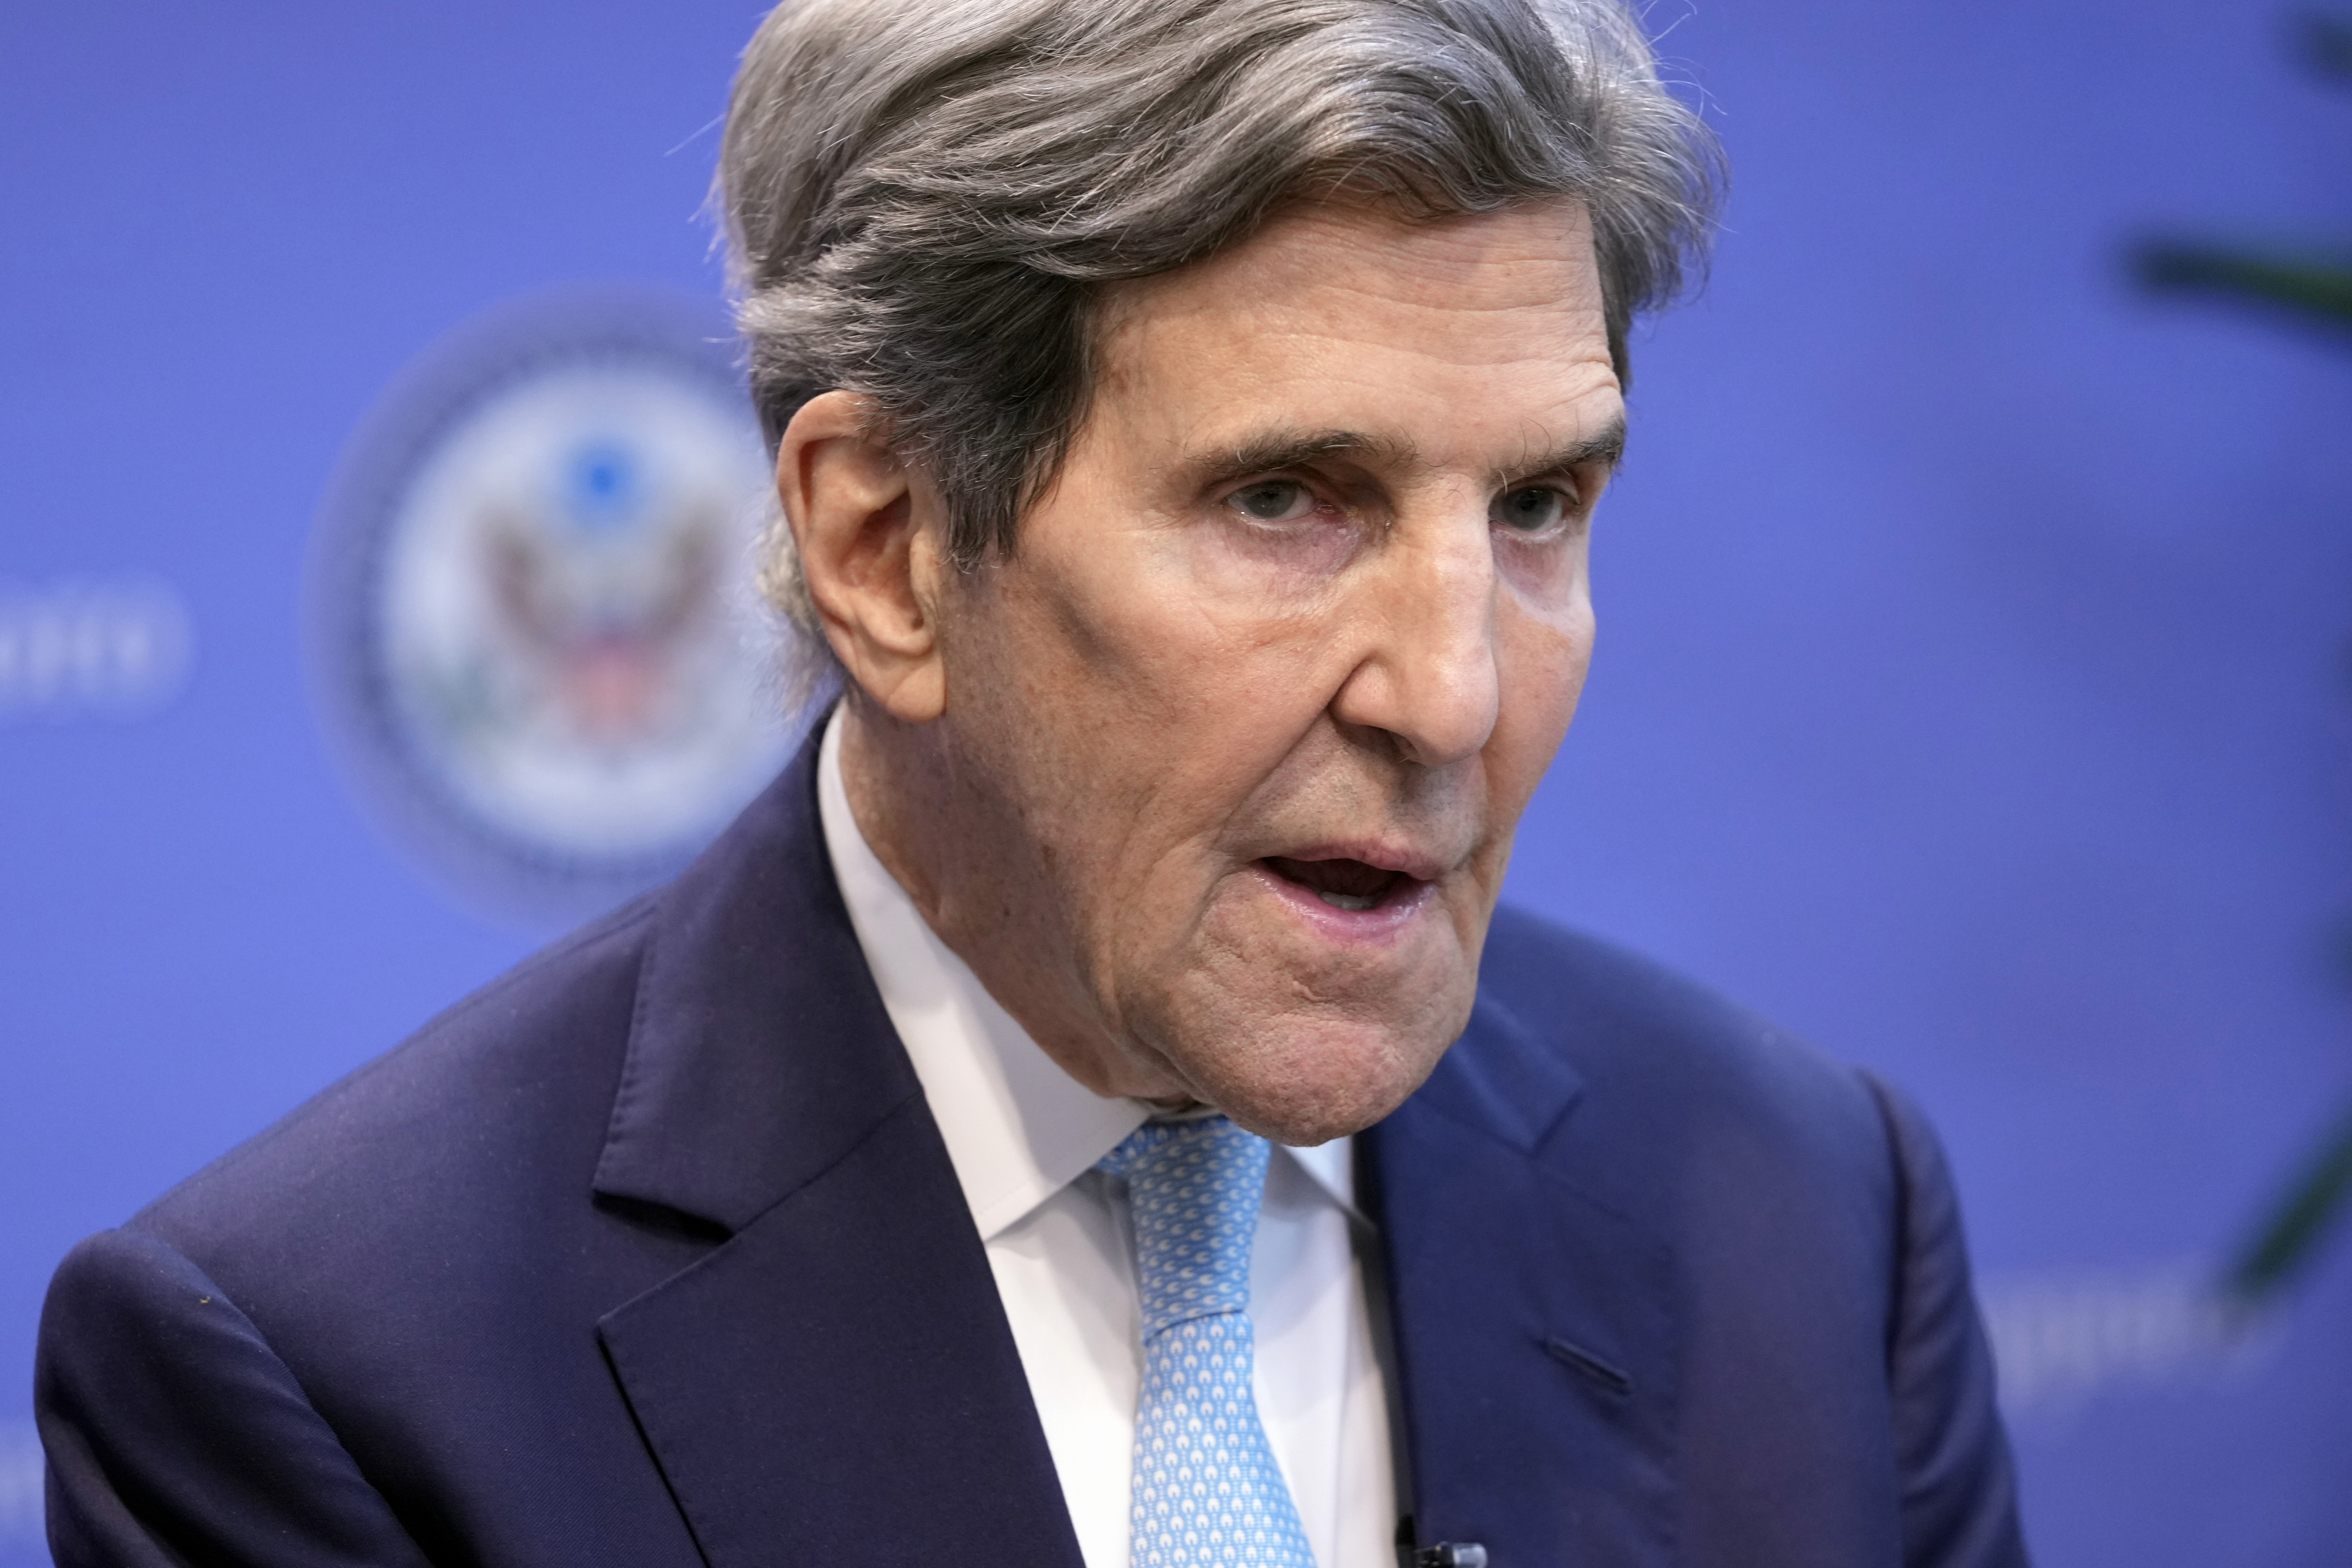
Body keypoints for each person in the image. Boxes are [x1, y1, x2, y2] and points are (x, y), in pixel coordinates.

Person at [35, 0, 2028, 1563]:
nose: (1451, 693)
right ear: (886, 548)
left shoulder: (1806, 1214)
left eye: (1534, 503)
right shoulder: (330, 1385)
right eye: (1283, 498)